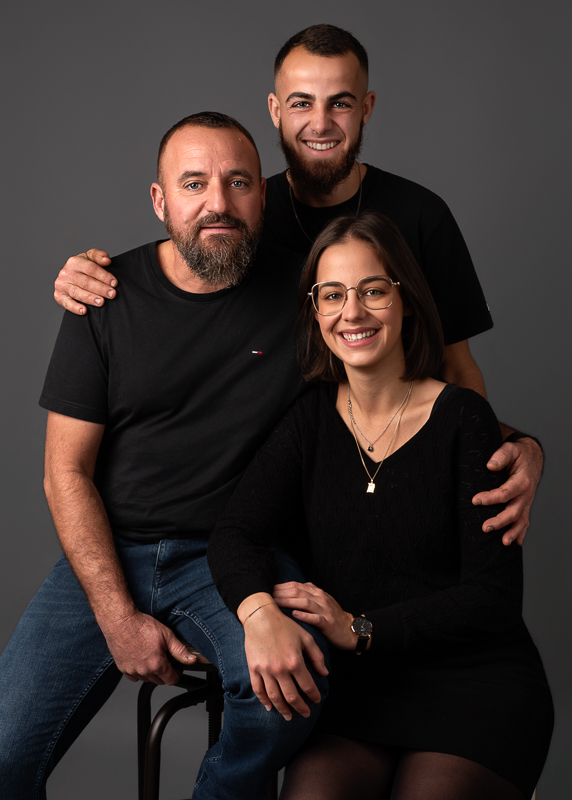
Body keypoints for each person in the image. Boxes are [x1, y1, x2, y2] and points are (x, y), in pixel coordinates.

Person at [52, 24, 543, 549]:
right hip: (283, 495)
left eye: (342, 103)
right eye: (302, 102)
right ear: (275, 109)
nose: (321, 123)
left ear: (368, 108)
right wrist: (90, 273)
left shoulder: (419, 216)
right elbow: (187, 252)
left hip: (398, 472)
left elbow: (456, 368)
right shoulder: (239, 213)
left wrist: (515, 450)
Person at [0, 113, 330, 800]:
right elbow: (64, 471)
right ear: (160, 201)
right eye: (194, 183)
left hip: (232, 557)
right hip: (107, 551)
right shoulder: (104, 295)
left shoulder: (308, 296)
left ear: (262, 195)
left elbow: (404, 362)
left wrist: (513, 442)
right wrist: (117, 618)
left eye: (239, 182)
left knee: (285, 694)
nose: (218, 202)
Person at [207, 212, 553, 800]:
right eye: (333, 294)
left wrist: (358, 629)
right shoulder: (308, 422)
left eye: (373, 290)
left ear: (408, 301)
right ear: (316, 312)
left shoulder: (463, 418)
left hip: (473, 686)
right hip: (358, 696)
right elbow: (234, 534)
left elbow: (492, 599)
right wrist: (258, 611)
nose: (353, 312)